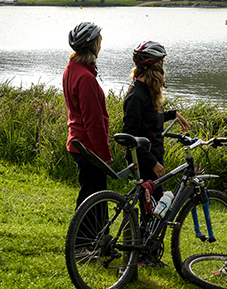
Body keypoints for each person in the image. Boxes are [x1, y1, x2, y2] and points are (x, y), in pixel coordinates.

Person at [122, 41, 189, 200]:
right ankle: (130, 223)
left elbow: (149, 120)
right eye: (161, 66)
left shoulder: (146, 91)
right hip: (145, 161)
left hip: (153, 157)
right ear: (154, 70)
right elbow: (129, 136)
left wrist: (172, 114)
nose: (163, 71)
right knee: (155, 213)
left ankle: (132, 224)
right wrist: (153, 163)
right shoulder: (137, 96)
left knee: (152, 213)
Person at [63, 21, 111, 210]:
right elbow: (93, 122)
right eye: (99, 40)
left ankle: (83, 237)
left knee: (88, 194)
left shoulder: (72, 68)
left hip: (78, 142)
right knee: (94, 199)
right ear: (93, 45)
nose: (101, 43)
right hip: (88, 147)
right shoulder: (85, 78)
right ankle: (85, 238)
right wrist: (104, 155)